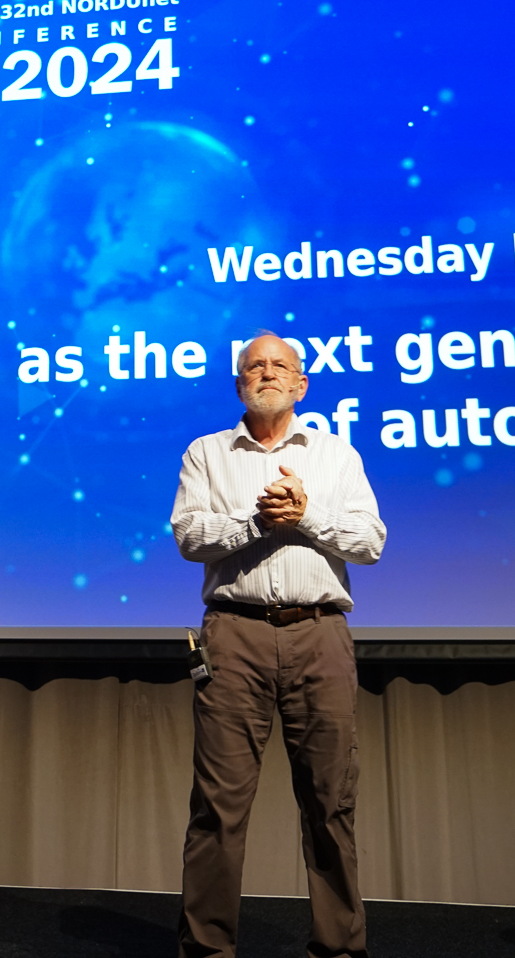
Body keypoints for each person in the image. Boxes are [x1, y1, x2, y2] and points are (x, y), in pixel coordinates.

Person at [171, 333, 387, 958]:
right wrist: (257, 521)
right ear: (239, 384)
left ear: (301, 384)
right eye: (254, 366)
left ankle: (339, 950)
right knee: (218, 805)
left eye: (279, 366)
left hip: (318, 633)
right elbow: (189, 536)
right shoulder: (206, 453)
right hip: (233, 635)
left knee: (330, 800)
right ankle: (207, 951)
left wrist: (305, 515)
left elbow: (370, 543)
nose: (266, 373)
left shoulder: (335, 454)